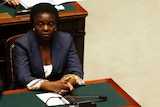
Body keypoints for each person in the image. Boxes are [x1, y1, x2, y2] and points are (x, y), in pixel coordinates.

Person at [11, 3, 84, 95]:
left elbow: (76, 70)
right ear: (33, 24)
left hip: (59, 92)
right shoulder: (22, 44)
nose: (46, 28)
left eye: (51, 24)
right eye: (40, 24)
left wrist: (69, 82)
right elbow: (24, 77)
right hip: (28, 92)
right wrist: (52, 86)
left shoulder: (66, 40)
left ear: (56, 24)